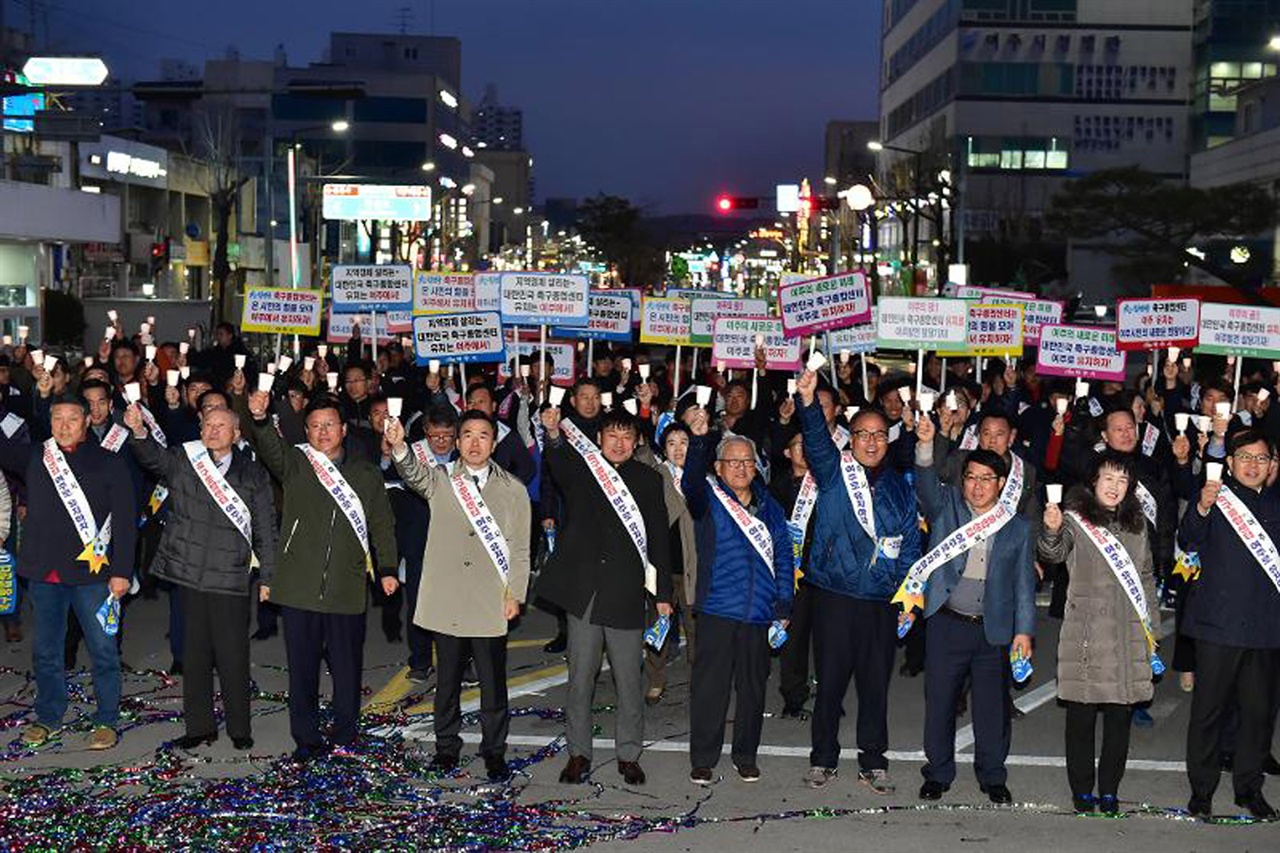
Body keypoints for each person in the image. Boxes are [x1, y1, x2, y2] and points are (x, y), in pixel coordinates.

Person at [245, 391, 398, 761]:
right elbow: (270, 447)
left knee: (346, 668)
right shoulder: (297, 462)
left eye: (329, 425)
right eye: (315, 426)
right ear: (307, 431)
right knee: (303, 670)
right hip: (298, 586)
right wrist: (262, 420)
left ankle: (346, 734)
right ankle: (307, 739)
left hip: (346, 586)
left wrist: (388, 568)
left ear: (344, 429)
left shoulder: (365, 473)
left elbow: (382, 523)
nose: (322, 432)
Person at [385, 409, 531, 781]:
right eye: (467, 435)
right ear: (457, 440)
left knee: (492, 684)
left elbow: (519, 550)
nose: (475, 443)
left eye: (483, 435)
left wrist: (515, 593)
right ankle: (446, 748)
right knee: (447, 681)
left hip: (489, 601)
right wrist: (400, 445)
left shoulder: (512, 489)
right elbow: (413, 474)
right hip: (447, 597)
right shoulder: (443, 479)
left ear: (493, 443)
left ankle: (494, 751)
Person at [794, 369, 921, 793]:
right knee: (829, 684)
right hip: (833, 597)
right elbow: (814, 440)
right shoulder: (834, 471)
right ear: (850, 436)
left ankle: (873, 759)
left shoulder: (901, 490)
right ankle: (822, 759)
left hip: (879, 602)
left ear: (888, 439)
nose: (871, 441)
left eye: (880, 435)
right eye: (863, 433)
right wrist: (808, 402)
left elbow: (908, 549)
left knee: (873, 688)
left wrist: (905, 593)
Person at [124, 404, 276, 750]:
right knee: (194, 657)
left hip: (230, 578)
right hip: (189, 574)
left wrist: (269, 576)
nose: (213, 430)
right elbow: (152, 459)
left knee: (232, 656)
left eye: (222, 426)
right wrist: (138, 432)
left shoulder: (252, 473)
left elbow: (266, 527)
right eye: (208, 424)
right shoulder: (184, 458)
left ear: (237, 434)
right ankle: (200, 726)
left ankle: (239, 728)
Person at [537, 406, 672, 786]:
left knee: (629, 680)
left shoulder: (648, 479)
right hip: (585, 592)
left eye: (627, 437)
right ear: (599, 439)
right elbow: (559, 461)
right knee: (581, 678)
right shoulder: (584, 469)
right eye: (611, 435)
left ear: (636, 442)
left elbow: (660, 538)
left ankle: (629, 754)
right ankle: (578, 753)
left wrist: (662, 594)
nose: (619, 443)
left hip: (626, 592)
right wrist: (552, 434)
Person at [910, 414, 1036, 804]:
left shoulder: (1016, 526)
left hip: (993, 629)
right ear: (962, 480)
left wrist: (1024, 632)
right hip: (947, 623)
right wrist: (928, 445)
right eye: (971, 477)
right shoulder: (946, 507)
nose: (977, 486)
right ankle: (938, 772)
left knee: (991, 710)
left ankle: (993, 776)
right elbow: (927, 484)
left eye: (986, 479)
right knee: (941, 703)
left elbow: (1024, 586)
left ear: (1001, 484)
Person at [0, 394, 137, 750]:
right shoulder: (35, 456)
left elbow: (125, 521)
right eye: (57, 418)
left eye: (71, 418)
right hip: (44, 575)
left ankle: (106, 717)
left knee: (103, 648)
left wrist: (122, 571)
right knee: (46, 650)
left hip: (93, 575)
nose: (63, 426)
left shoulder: (109, 462)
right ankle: (48, 715)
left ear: (87, 420)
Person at [1037, 451, 1158, 815]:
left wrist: (1151, 630)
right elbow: (1052, 554)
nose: (1114, 487)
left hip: (1127, 633)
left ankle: (1109, 790)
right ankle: (1082, 791)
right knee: (1082, 720)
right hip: (1086, 633)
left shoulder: (1138, 525)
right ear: (1093, 481)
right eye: (1108, 478)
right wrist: (1052, 528)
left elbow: (1147, 578)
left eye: (1122, 481)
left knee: (1120, 720)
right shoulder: (1075, 520)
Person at [682, 406, 793, 784]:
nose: (742, 468)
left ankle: (745, 755)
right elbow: (691, 485)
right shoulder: (709, 499)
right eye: (733, 462)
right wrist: (698, 443)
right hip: (717, 609)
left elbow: (784, 558)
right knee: (709, 690)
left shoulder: (771, 508)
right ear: (719, 467)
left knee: (752, 691)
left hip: (759, 614)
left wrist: (783, 605)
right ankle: (703, 758)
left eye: (748, 462)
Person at [1176, 428, 1280, 820]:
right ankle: (1201, 791)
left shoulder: (1277, 504)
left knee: (1258, 715)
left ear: (1272, 466)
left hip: (1267, 629)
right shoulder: (1215, 499)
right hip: (1217, 626)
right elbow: (1188, 540)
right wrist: (1201, 507)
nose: (1253, 465)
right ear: (1231, 463)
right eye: (1245, 458)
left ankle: (1248, 789)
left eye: (1261, 459)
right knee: (1208, 713)